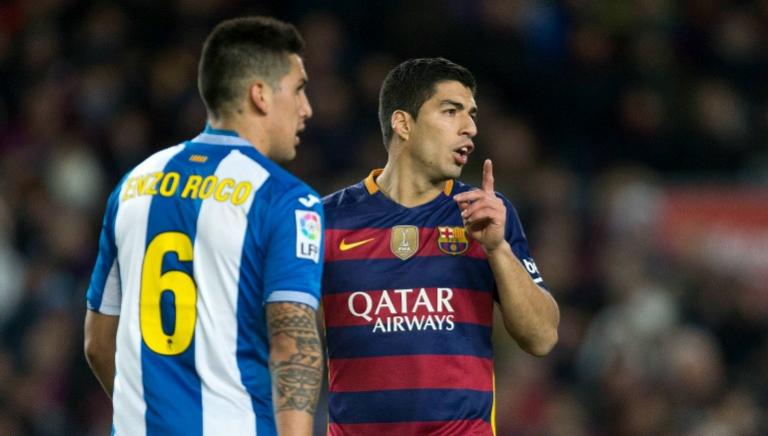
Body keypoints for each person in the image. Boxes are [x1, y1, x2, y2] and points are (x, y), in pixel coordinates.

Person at [83, 16, 324, 436]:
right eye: (299, 89)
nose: (307, 109)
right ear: (260, 95)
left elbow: (98, 344)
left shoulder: (134, 185)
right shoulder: (287, 200)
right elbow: (292, 346)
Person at [321, 57, 560, 435]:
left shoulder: (487, 213)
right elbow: (287, 337)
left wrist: (498, 250)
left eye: (472, 114)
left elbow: (543, 337)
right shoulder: (326, 222)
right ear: (403, 123)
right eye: (451, 111)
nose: (471, 128)